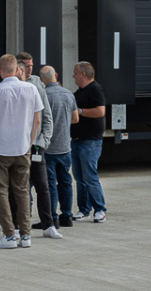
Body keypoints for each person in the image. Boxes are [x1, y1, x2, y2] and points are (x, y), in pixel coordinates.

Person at [0, 53, 44, 249]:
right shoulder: (31, 88)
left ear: (0, 71)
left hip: (0, 148)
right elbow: (37, 120)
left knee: (0, 191)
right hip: (22, 147)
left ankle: (9, 235)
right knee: (23, 190)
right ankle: (26, 236)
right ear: (18, 70)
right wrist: (29, 140)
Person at [18, 51, 60, 238]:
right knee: (20, 187)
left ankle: (48, 224)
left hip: (36, 146)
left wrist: (45, 140)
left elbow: (47, 115)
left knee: (43, 185)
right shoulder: (12, 84)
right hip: (17, 146)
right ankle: (21, 225)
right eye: (26, 65)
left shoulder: (37, 83)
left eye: (31, 65)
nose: (29, 69)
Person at [40, 66, 78, 230]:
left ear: (42, 80)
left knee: (50, 184)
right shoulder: (68, 93)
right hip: (65, 146)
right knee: (65, 182)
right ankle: (67, 215)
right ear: (55, 76)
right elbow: (75, 118)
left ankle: (53, 218)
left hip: (48, 148)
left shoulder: (44, 95)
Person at [70, 61, 108, 221]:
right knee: (79, 178)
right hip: (77, 140)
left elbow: (100, 111)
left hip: (90, 142)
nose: (73, 76)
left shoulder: (95, 89)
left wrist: (79, 111)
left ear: (83, 74)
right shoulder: (79, 92)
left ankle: (100, 209)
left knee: (89, 176)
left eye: (75, 73)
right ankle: (84, 209)